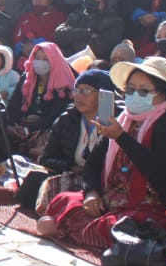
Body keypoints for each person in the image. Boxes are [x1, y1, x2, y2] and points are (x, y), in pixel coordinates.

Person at [38, 57, 166, 251]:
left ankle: (72, 228)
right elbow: (93, 164)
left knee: (118, 227)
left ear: (161, 95)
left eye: (144, 91)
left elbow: (158, 171)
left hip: (151, 206)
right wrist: (91, 193)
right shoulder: (124, 120)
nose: (135, 95)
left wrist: (121, 137)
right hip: (111, 199)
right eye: (130, 90)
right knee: (64, 199)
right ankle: (73, 225)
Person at [37, 68, 115, 214]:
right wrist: (70, 166)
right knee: (43, 183)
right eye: (77, 90)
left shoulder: (116, 122)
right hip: (73, 175)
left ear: (104, 96)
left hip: (103, 182)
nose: (78, 96)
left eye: (86, 91)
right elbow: (47, 158)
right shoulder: (67, 119)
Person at [6, 41, 74, 156]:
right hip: (22, 127)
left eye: (45, 59)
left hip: (47, 129)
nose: (40, 62)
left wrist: (35, 124)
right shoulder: (26, 79)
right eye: (37, 58)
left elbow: (58, 114)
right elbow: (14, 105)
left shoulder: (63, 85)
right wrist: (13, 125)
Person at [54, 0, 124, 60]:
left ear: (104, 1)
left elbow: (101, 48)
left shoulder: (114, 21)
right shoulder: (76, 15)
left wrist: (72, 37)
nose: (90, 0)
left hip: (96, 64)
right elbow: (58, 36)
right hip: (69, 61)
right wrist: (88, 33)